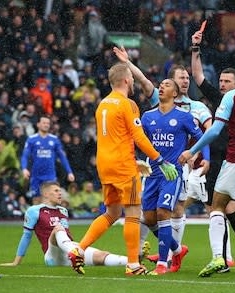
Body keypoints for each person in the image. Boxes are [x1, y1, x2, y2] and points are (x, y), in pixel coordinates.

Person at [67, 63, 178, 276]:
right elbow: (138, 136)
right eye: (132, 79)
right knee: (133, 213)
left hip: (104, 165)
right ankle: (133, 264)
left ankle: (78, 249)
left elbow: (113, 137)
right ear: (126, 80)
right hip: (123, 166)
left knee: (112, 212)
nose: (134, 82)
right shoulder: (128, 104)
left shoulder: (102, 105)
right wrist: (160, 160)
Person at [113, 46, 210, 263]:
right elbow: (144, 81)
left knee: (169, 210)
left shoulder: (194, 108)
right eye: (180, 77)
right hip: (154, 170)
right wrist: (127, 62)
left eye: (187, 77)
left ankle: (164, 259)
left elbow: (208, 131)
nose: (186, 80)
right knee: (153, 215)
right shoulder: (152, 110)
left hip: (177, 169)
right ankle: (175, 250)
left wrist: (196, 153)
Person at [180, 58, 235, 279]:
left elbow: (213, 131)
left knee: (216, 206)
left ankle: (219, 256)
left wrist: (193, 151)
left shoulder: (232, 96)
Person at [190, 29, 235, 271]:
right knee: (219, 210)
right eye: (221, 82)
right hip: (214, 161)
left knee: (227, 208)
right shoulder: (219, 98)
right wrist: (196, 48)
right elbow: (197, 75)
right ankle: (226, 257)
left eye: (227, 82)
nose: (222, 85)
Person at [141, 79, 210, 275]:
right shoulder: (147, 117)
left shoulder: (183, 116)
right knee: (149, 217)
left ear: (175, 94)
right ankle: (178, 250)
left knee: (163, 212)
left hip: (172, 173)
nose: (161, 87)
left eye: (167, 85)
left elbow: (203, 136)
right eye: (160, 85)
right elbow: (139, 140)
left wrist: (203, 157)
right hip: (152, 173)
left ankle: (162, 264)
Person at [0, 181, 127, 269]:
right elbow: (26, 236)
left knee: (102, 256)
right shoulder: (34, 210)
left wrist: (76, 245)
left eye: (60, 191)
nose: (60, 193)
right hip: (52, 256)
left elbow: (67, 235)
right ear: (45, 194)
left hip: (69, 250)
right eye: (56, 191)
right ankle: (75, 253)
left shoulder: (63, 210)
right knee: (58, 228)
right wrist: (16, 262)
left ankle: (133, 262)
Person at [21, 116, 75, 205]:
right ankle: (37, 219)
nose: (46, 125)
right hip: (36, 176)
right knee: (36, 200)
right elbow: (25, 156)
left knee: (51, 200)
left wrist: (69, 172)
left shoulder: (54, 140)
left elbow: (62, 157)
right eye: (44, 123)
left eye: (48, 123)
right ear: (38, 124)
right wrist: (24, 169)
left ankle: (49, 219)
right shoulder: (32, 139)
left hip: (50, 176)